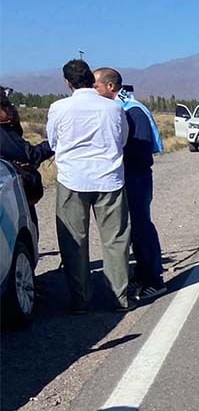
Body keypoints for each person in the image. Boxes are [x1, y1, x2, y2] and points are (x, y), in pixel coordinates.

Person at [44, 59, 132, 313]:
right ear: (90, 80)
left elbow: (53, 141)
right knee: (115, 240)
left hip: (73, 180)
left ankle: (81, 300)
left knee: (74, 241)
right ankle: (120, 298)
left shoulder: (59, 108)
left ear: (67, 82)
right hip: (109, 180)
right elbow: (122, 139)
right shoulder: (114, 108)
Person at [93, 70, 165, 300]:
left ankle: (154, 279)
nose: (94, 91)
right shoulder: (121, 109)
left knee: (141, 227)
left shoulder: (133, 111)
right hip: (126, 176)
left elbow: (142, 149)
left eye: (96, 86)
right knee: (132, 227)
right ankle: (142, 273)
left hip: (135, 177)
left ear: (110, 86)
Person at [0, 87, 54, 229]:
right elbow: (30, 154)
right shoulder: (2, 134)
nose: (11, 108)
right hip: (11, 194)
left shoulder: (7, 129)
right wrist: (55, 143)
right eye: (6, 104)